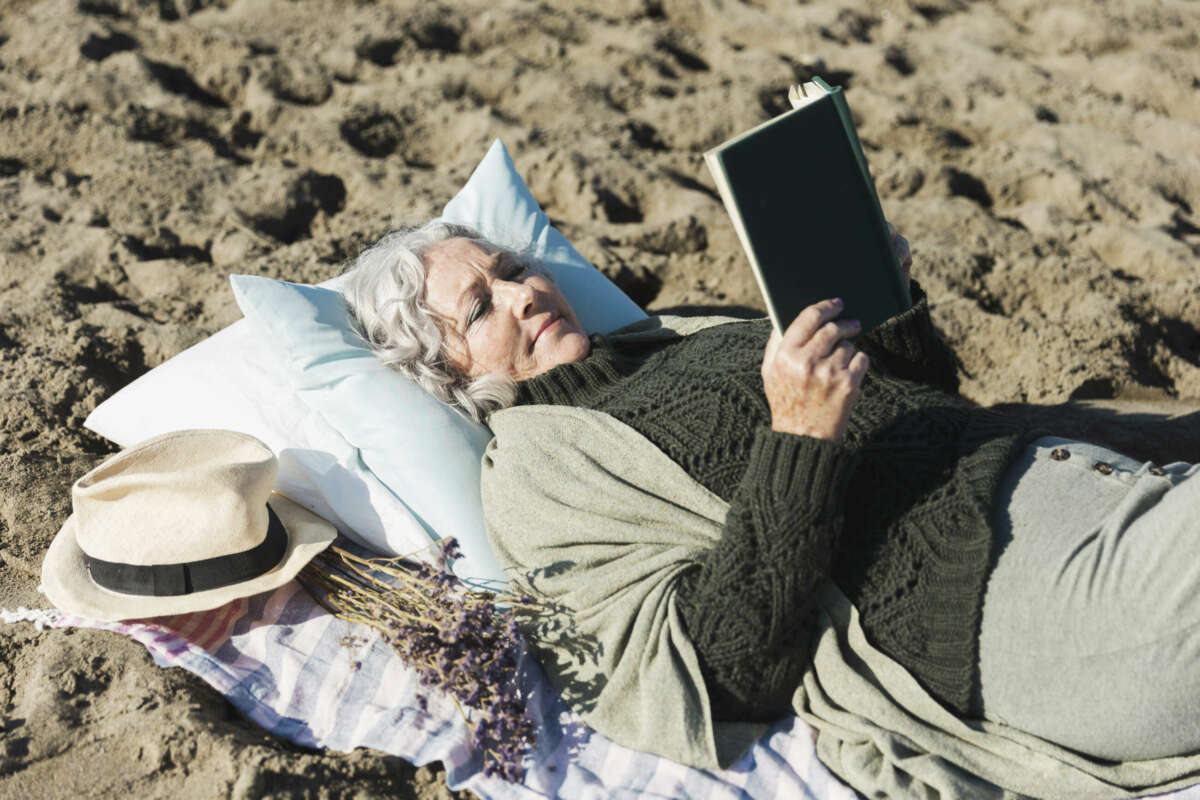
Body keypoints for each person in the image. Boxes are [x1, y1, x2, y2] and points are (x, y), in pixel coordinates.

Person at [343, 220, 1200, 793]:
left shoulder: (674, 333)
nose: (523, 294)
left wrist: (886, 305)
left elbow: (916, 409)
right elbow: (723, 669)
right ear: (445, 373)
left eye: (513, 269)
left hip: (1076, 476)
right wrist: (798, 440)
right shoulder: (535, 470)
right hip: (1021, 606)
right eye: (479, 307)